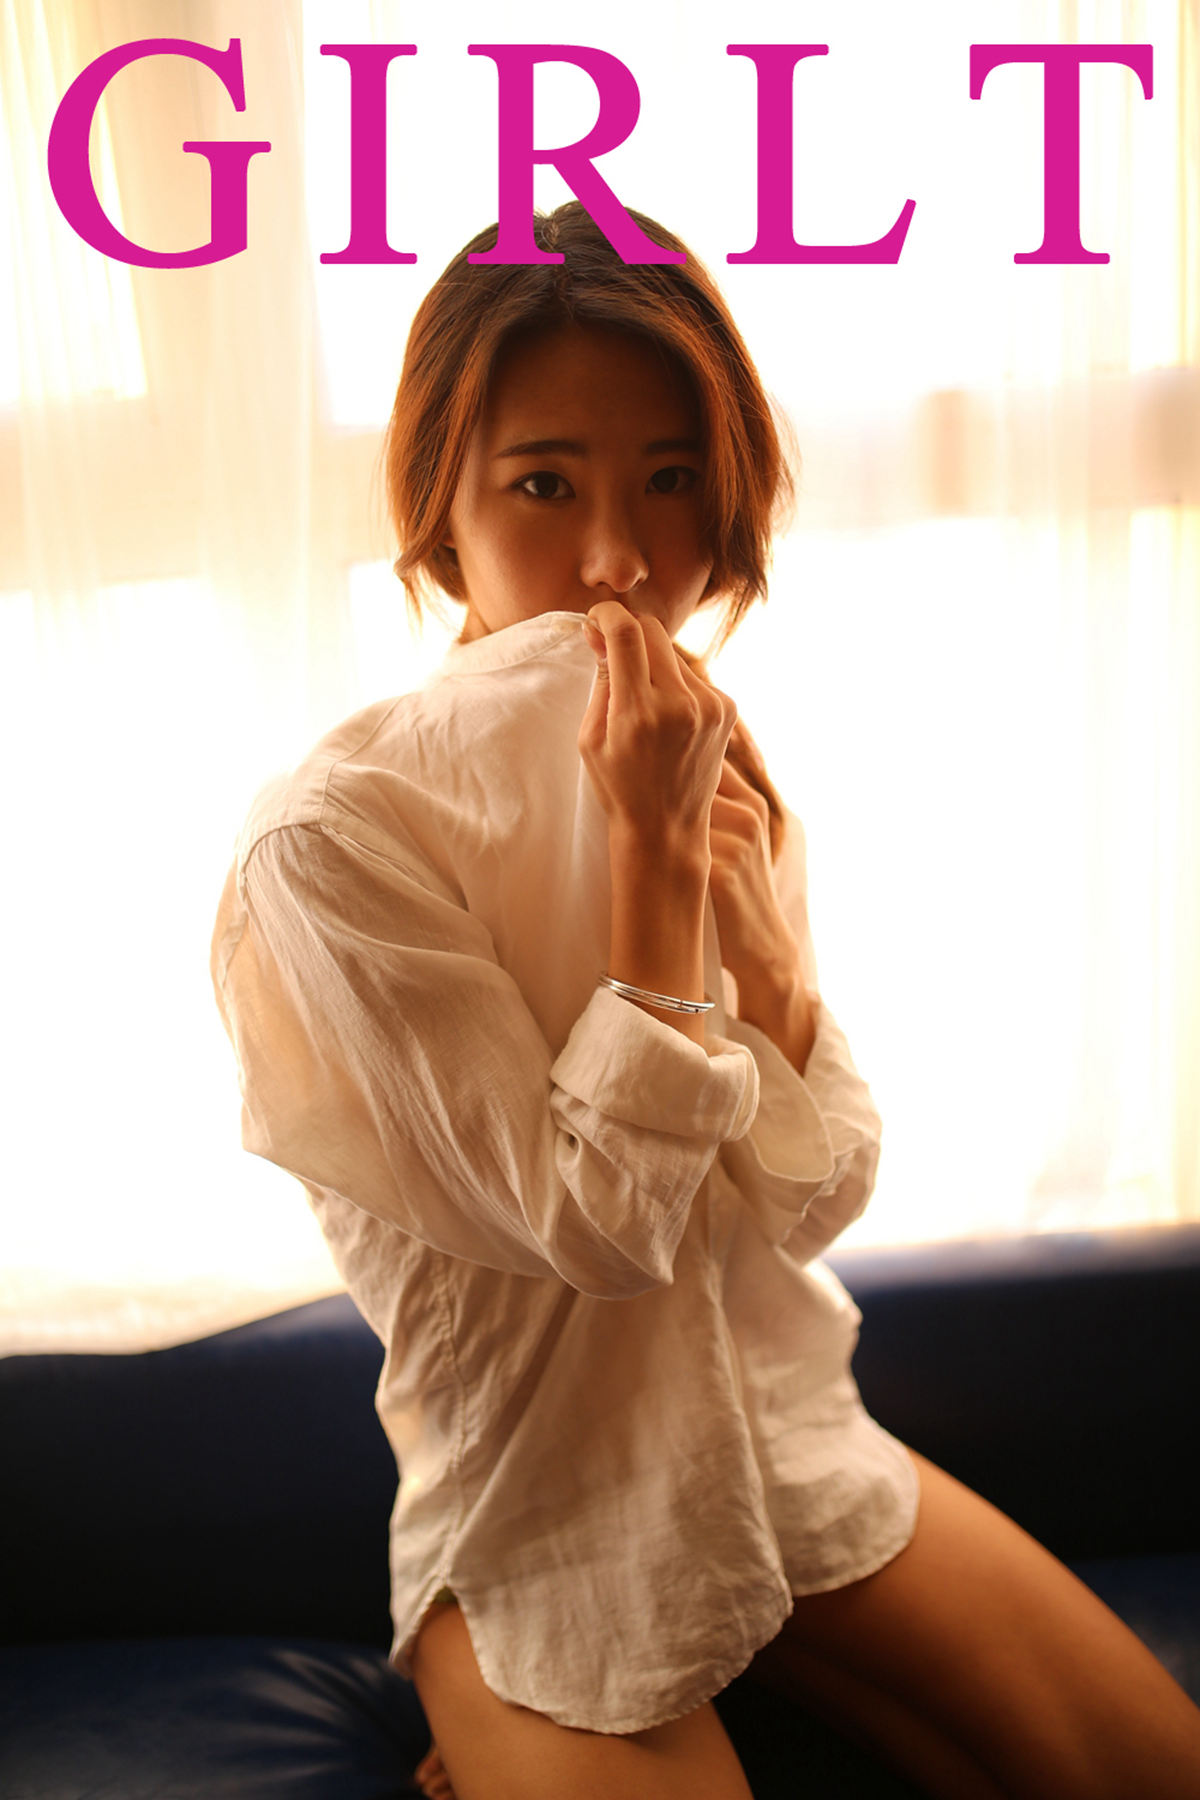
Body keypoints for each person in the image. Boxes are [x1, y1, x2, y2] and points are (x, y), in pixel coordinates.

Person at [211, 202, 1200, 1800]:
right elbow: (601, 1232)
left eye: (671, 482)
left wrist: (773, 957)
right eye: (546, 485)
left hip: (796, 1449)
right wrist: (659, 874)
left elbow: (809, 1204)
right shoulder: (333, 843)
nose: (620, 560)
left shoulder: (714, 754)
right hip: (542, 1529)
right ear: (438, 500)